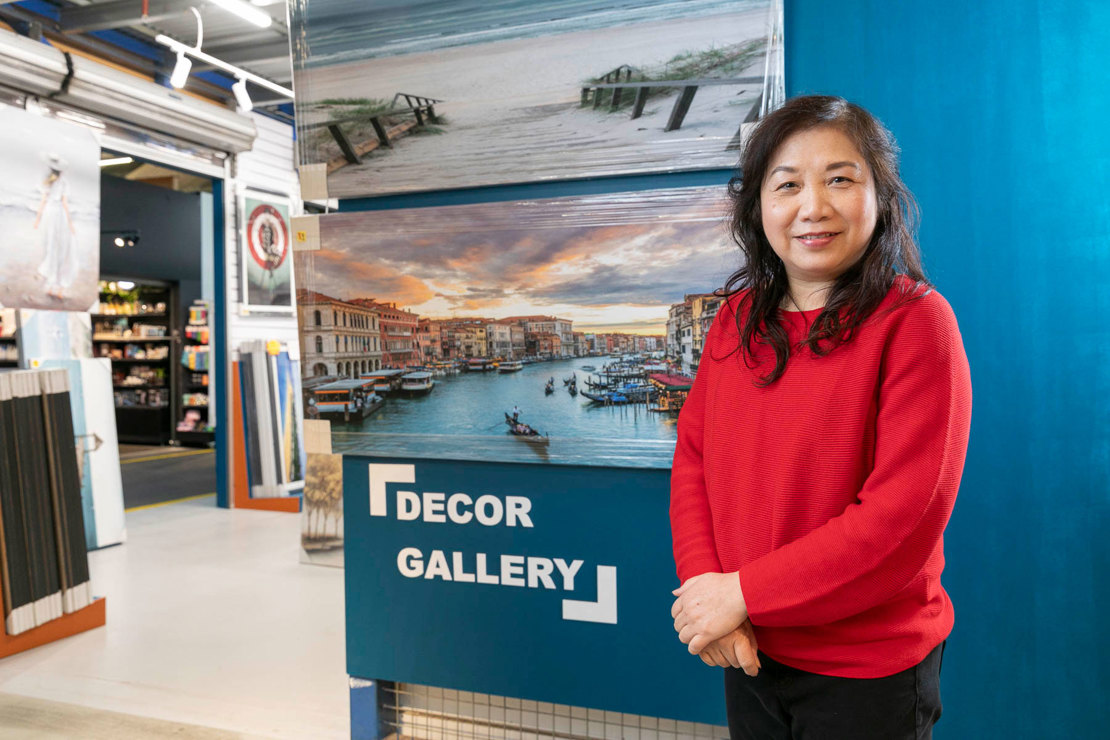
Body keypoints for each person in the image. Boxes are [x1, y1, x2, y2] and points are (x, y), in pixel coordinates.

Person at [669, 95, 972, 740]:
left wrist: (741, 593)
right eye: (787, 185)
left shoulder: (917, 322)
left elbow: (903, 516)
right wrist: (708, 593)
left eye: (840, 179)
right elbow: (694, 457)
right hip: (748, 646)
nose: (814, 207)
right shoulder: (734, 320)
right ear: (757, 206)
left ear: (880, 195)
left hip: (867, 670)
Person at [33, 153, 77, 300]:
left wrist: (38, 219)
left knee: (53, 246)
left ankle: (53, 282)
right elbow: (64, 204)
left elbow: (43, 202)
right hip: (58, 215)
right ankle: (56, 284)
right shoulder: (62, 184)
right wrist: (70, 224)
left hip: (50, 214)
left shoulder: (49, 183)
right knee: (60, 248)